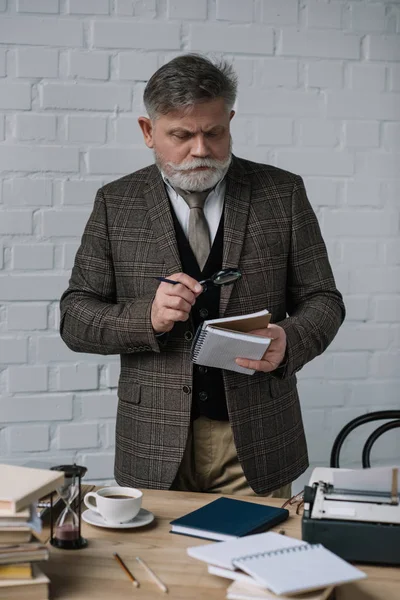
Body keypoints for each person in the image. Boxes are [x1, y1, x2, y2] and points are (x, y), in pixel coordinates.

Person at [60, 54, 345, 498]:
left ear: (230, 120)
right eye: (182, 134)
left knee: (253, 565)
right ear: (148, 131)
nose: (201, 149)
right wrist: (147, 317)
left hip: (258, 441)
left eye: (214, 132)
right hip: (153, 443)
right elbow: (75, 318)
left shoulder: (283, 193)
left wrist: (289, 339)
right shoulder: (115, 203)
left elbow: (325, 299)